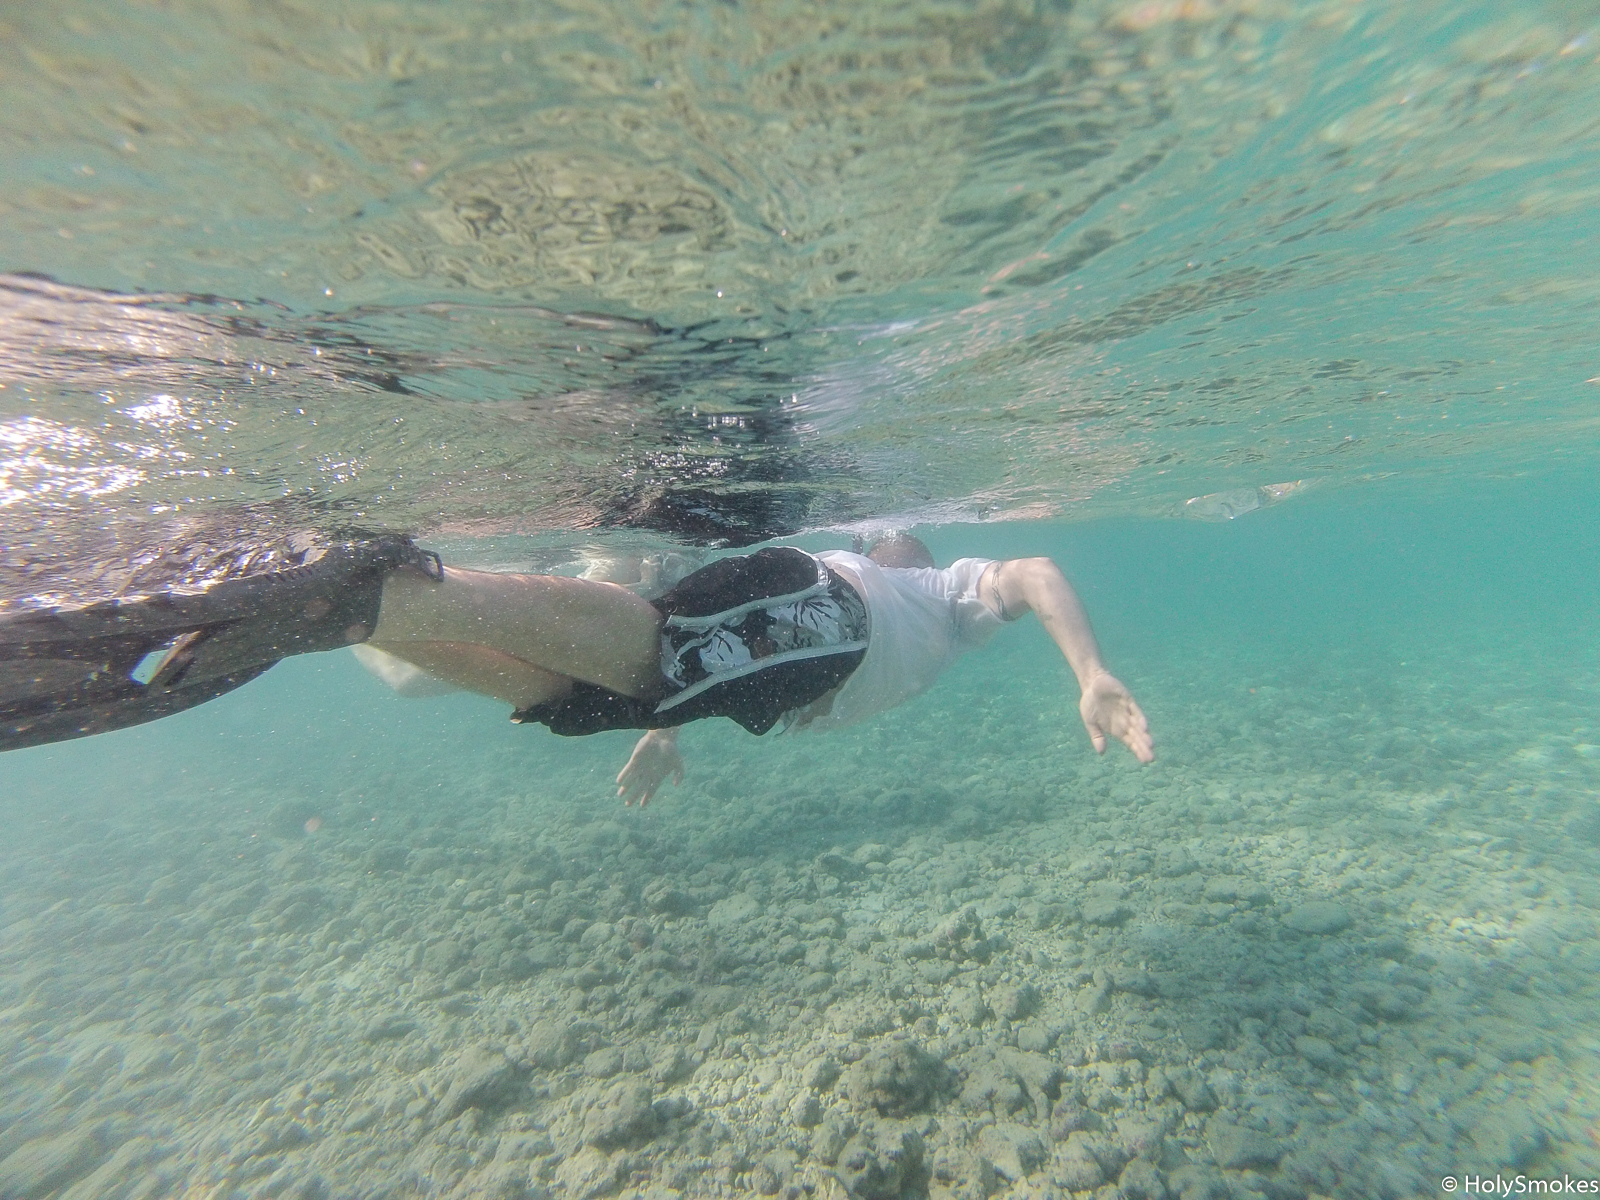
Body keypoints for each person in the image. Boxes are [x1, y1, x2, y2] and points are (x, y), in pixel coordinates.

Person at [0, 528, 1153, 798]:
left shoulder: (908, 601)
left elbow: (705, 674)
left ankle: (336, 616)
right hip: (819, 625)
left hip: (793, 659)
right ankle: (366, 586)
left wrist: (665, 733)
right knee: (652, 657)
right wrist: (1087, 673)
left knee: (592, 702)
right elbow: (1037, 571)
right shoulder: (937, 594)